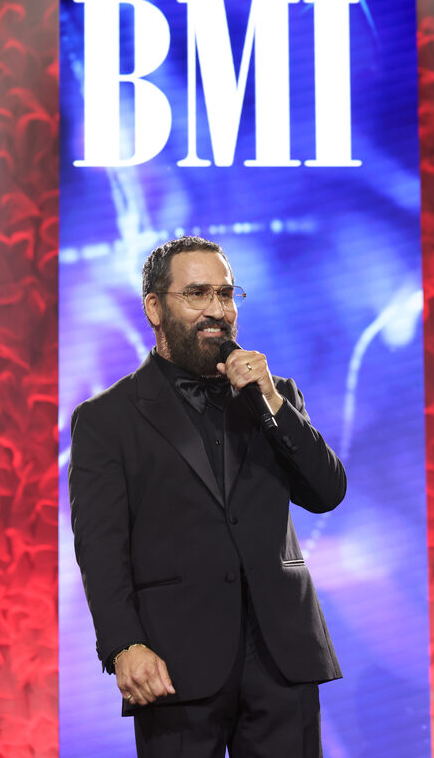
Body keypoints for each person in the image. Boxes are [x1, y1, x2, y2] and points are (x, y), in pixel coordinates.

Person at [69, 236, 346, 757]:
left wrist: (272, 402)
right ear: (154, 307)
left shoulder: (272, 394)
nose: (217, 310)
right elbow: (101, 550)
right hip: (174, 664)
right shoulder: (107, 419)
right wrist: (124, 646)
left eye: (226, 293)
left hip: (283, 657)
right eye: (197, 294)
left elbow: (327, 492)